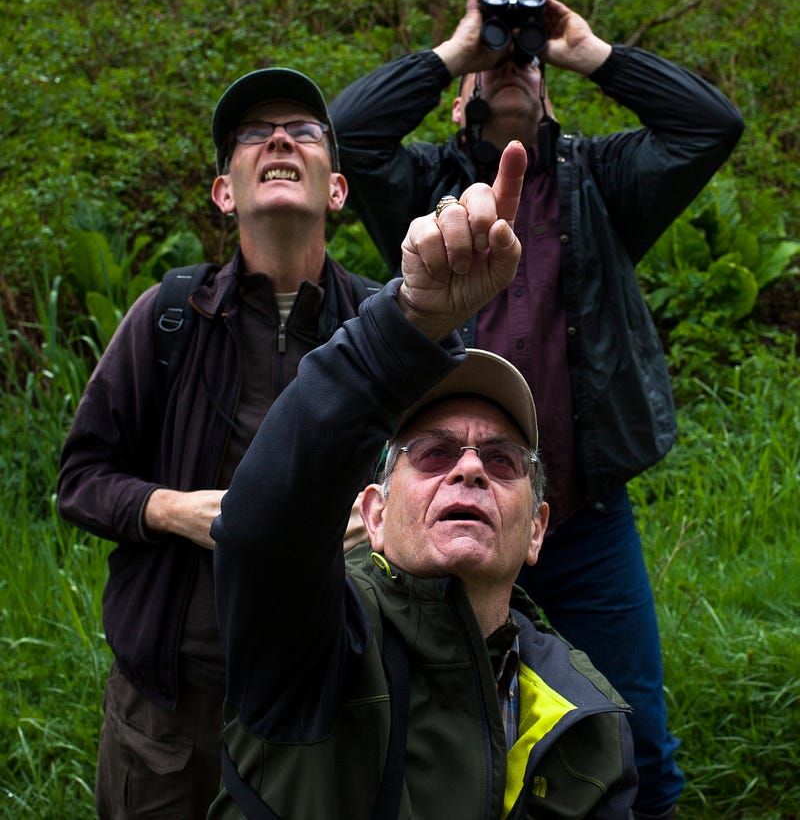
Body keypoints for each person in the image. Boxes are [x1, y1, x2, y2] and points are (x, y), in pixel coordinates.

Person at [328, 0, 744, 819]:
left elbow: (710, 127)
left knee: (642, 746)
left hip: (582, 515)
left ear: (553, 92)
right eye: (497, 62)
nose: (513, 64)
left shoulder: (603, 179)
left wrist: (585, 52)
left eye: (528, 62)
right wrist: (460, 51)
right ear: (459, 103)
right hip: (452, 501)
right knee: (432, 747)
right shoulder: (424, 187)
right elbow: (350, 131)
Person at [209, 140, 639, 819]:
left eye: (501, 461)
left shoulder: (592, 720)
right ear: (373, 515)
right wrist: (413, 320)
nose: (469, 467)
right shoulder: (311, 644)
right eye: (434, 455)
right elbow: (264, 527)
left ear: (537, 529)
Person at [57, 67, 380, 818]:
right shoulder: (168, 316)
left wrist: (382, 522)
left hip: (328, 705)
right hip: (169, 715)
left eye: (304, 131)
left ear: (335, 189)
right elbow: (81, 477)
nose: (278, 139)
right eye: (253, 134)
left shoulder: (382, 327)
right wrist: (172, 509)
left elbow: (437, 471)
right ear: (224, 192)